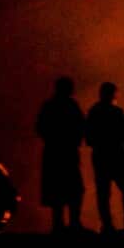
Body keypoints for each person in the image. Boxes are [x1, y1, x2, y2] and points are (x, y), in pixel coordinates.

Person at [36, 77, 86, 233]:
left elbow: (40, 127)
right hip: (66, 153)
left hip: (54, 153)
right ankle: (73, 223)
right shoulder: (71, 106)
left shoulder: (49, 106)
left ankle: (59, 225)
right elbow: (81, 126)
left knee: (58, 190)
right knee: (74, 189)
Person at [86, 82, 124, 232]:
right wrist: (118, 144)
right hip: (117, 156)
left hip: (101, 156)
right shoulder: (116, 112)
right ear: (114, 94)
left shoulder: (94, 112)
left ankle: (107, 224)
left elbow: (88, 136)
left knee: (104, 192)